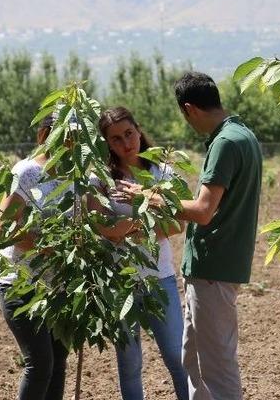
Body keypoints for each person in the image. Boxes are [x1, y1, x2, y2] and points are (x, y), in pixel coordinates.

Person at [114, 72, 262, 400]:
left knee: (217, 368)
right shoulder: (243, 135)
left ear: (189, 109)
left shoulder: (225, 142)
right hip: (213, 268)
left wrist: (147, 197)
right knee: (194, 360)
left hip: (214, 268)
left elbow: (203, 211)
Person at [89, 106, 188, 400]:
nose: (125, 142)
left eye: (129, 133)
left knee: (177, 358)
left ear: (139, 129)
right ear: (107, 143)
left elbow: (178, 223)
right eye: (116, 138)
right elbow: (103, 227)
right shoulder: (102, 180)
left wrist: (128, 230)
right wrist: (146, 224)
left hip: (161, 280)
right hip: (119, 283)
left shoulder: (163, 172)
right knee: (130, 364)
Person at [0, 114, 70, 400]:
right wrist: (47, 249)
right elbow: (4, 228)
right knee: (40, 364)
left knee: (58, 364)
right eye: (62, 135)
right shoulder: (26, 172)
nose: (70, 143)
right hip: (21, 283)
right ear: (44, 135)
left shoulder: (75, 178)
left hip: (60, 289)